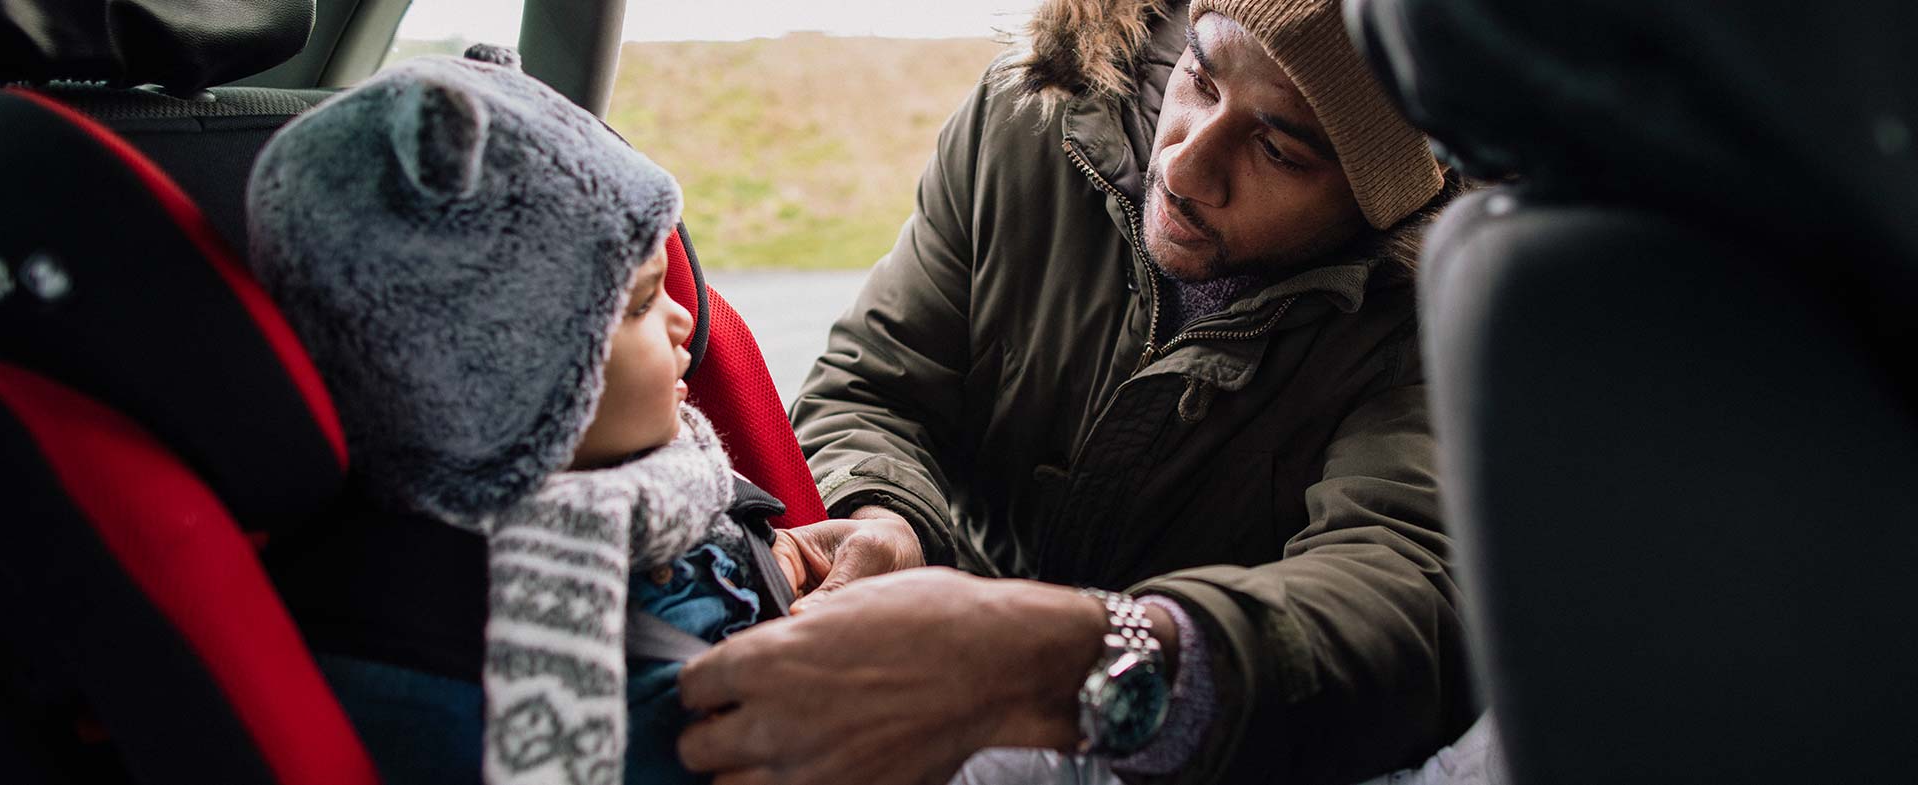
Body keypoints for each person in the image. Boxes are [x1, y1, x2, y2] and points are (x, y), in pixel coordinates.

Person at [678, 0, 1475, 783]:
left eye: (1279, 151)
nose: (1186, 165)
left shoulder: (1443, 308)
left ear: (1382, 199)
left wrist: (1071, 658)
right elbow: (878, 379)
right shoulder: (1031, 114)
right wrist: (887, 517)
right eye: (1199, 79)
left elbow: (1408, 592)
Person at [249, 46, 788, 785]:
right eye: (637, 303)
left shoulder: (652, 490)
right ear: (489, 372)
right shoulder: (462, 643)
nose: (683, 321)